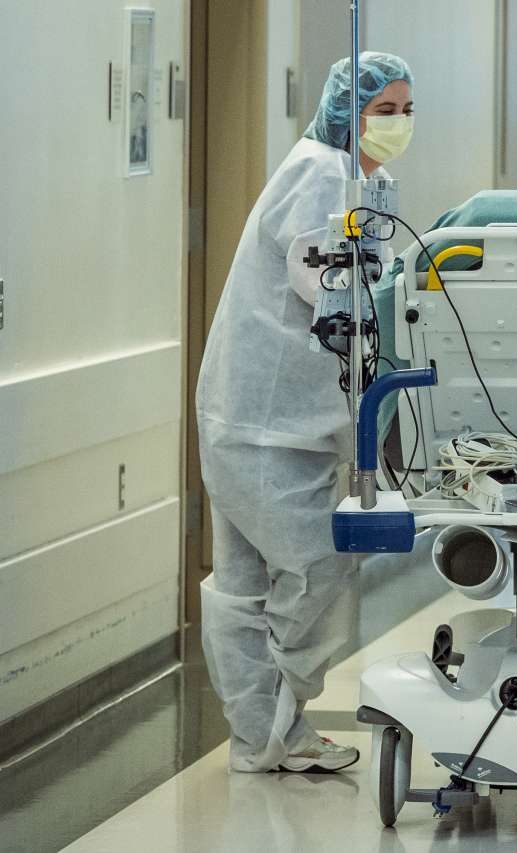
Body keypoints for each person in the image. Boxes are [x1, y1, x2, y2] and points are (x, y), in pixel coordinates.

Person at [195, 52, 415, 774]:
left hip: (274, 416)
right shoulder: (323, 173)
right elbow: (333, 292)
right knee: (315, 566)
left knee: (253, 581)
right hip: (263, 419)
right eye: (384, 110)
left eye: (406, 110)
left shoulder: (362, 179)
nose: (399, 124)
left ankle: (269, 735)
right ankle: (270, 724)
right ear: (348, 110)